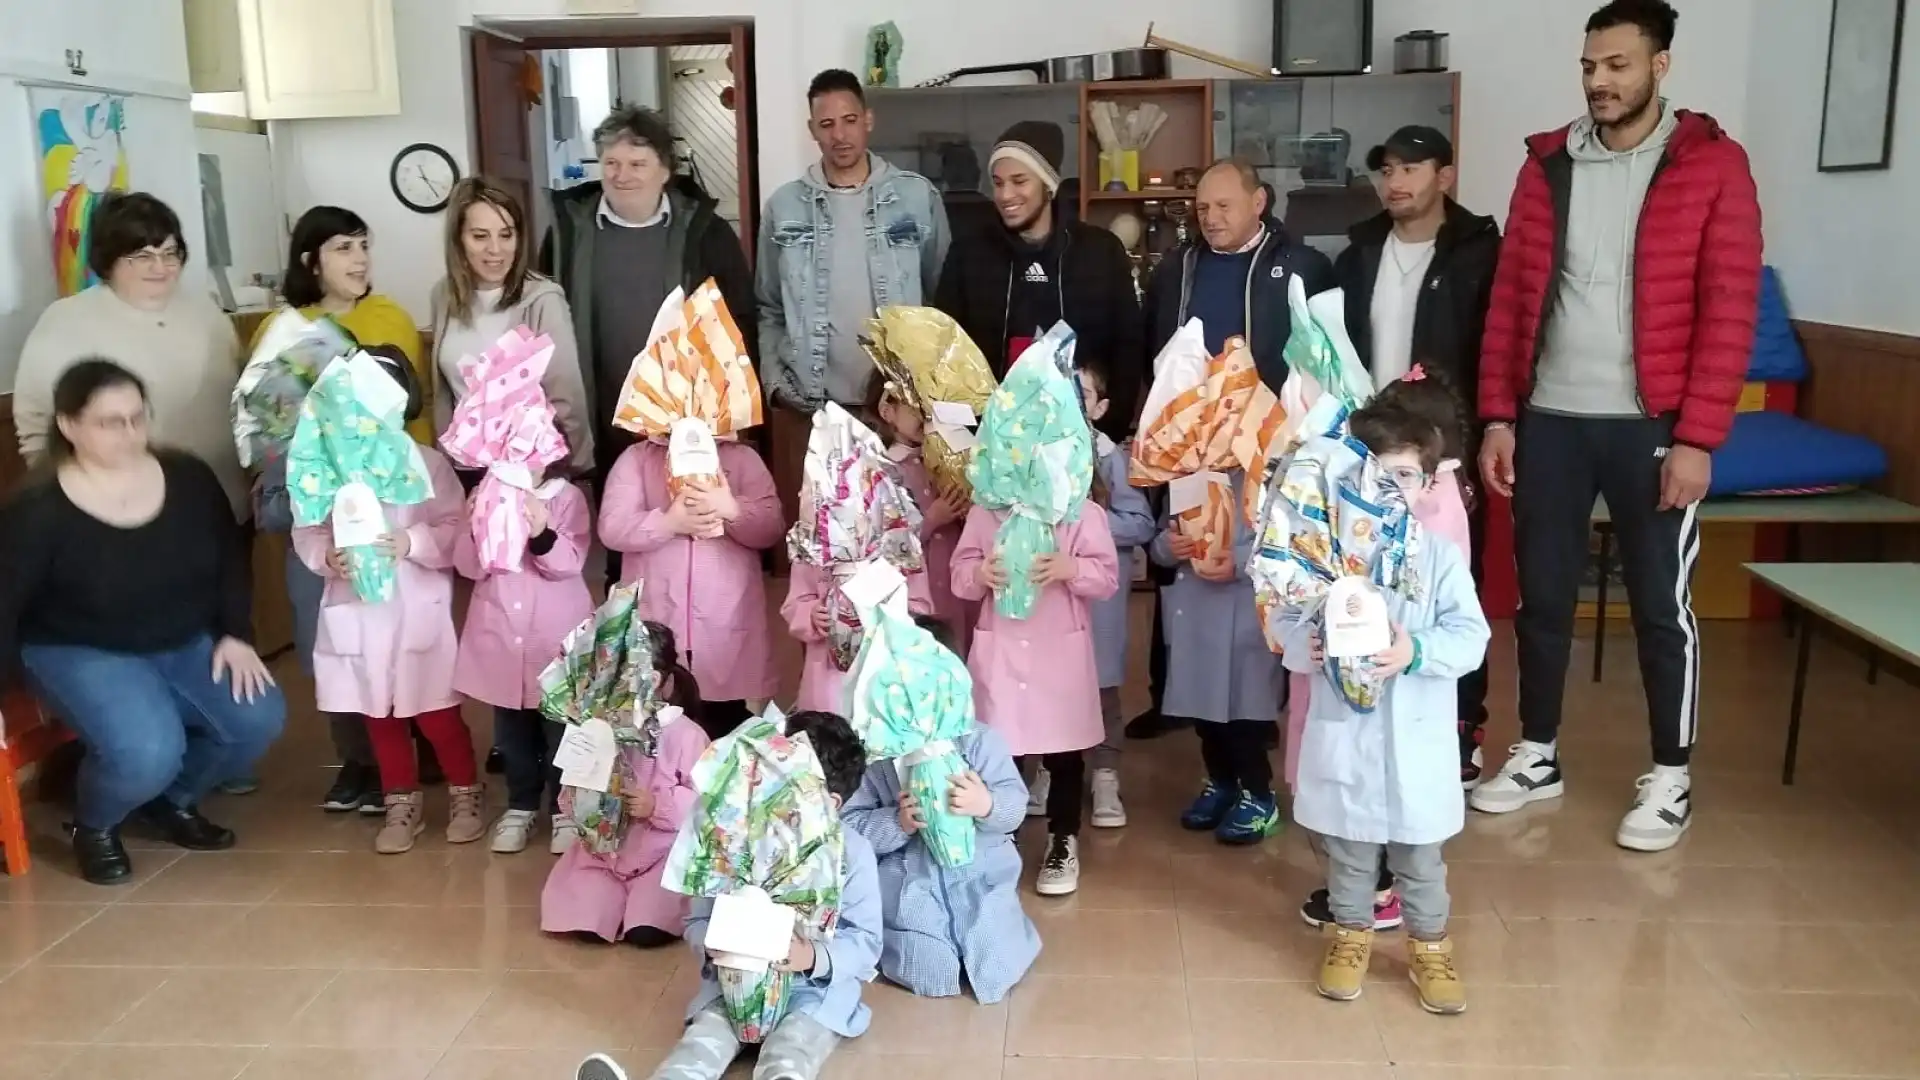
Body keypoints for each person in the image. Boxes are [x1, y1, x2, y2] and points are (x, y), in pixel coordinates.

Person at [1472, 0, 1762, 852]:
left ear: (1660, 67)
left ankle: (1670, 774)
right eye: (1590, 66)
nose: (1600, 81)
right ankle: (1537, 753)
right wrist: (1498, 415)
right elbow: (1511, 300)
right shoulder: (1546, 164)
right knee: (1543, 601)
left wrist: (1701, 437)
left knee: (1658, 608)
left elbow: (1729, 309)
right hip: (1551, 420)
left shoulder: (1713, 166)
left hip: (1653, 427)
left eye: (1618, 66)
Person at [0, 360, 284, 885]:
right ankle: (95, 825)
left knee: (257, 718)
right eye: (111, 422)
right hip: (76, 647)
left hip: (178, 635)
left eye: (137, 418)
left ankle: (169, 802)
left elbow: (228, 560)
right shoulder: (37, 509)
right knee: (147, 749)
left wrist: (237, 635)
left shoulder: (187, 477)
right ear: (69, 426)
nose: (130, 434)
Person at [1280, 396, 1490, 1015]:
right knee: (1348, 854)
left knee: (1421, 860)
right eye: (1373, 473)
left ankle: (1430, 945)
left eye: (1402, 474)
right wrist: (1309, 644)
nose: (1388, 487)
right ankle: (1350, 936)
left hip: (1415, 741)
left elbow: (1471, 636)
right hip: (1348, 738)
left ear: (1429, 483)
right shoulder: (1322, 559)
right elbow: (1287, 626)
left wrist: (1415, 651)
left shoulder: (1440, 558)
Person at [1128, 159, 1336, 740]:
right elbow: (1157, 350)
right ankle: (1174, 696)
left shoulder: (1300, 266)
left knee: (1254, 573)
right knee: (1186, 566)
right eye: (1202, 209)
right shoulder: (1179, 267)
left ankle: (1257, 707)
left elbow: (1322, 357)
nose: (1211, 219)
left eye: (1223, 206)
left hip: (1267, 447)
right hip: (1190, 447)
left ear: (1259, 201)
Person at [1334, 126, 1502, 788]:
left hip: (1445, 448)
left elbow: (1495, 350)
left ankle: (1463, 725)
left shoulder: (1477, 252)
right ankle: (1370, 704)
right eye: (1387, 169)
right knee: (1366, 575)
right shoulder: (1359, 252)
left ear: (1446, 175)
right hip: (1371, 447)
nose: (1395, 181)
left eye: (1411, 167)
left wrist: (1489, 427)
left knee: (1448, 583)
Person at [266, 205, 440, 808]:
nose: (359, 258)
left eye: (364, 245)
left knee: (403, 623)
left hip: (394, 497)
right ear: (312, 259)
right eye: (343, 247)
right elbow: (273, 421)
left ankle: (416, 746)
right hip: (327, 503)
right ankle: (358, 762)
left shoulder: (389, 315)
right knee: (334, 632)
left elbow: (409, 409)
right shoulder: (290, 329)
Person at [541, 103, 755, 584]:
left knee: (689, 537)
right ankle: (626, 622)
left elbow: (738, 321)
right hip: (604, 411)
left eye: (637, 164)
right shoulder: (569, 231)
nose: (622, 175)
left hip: (687, 420)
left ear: (664, 170)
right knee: (623, 530)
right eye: (611, 163)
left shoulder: (704, 231)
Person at [290, 349, 481, 854]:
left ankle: (466, 795)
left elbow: (454, 525)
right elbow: (307, 527)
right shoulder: (326, 466)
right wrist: (328, 558)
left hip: (417, 604)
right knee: (379, 714)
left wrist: (410, 542)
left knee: (437, 711)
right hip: (358, 608)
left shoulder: (428, 463)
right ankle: (402, 801)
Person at [758, 69, 950, 527]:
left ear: (868, 120)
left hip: (898, 412)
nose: (839, 135)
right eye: (826, 125)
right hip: (812, 407)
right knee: (820, 544)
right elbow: (767, 306)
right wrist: (775, 385)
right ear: (812, 131)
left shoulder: (915, 197)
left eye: (848, 120)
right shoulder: (784, 206)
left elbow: (943, 301)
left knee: (901, 540)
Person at [648, 709, 880, 1080]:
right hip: (732, 987)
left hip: (812, 994)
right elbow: (696, 919)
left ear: (830, 804)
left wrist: (811, 957)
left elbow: (865, 941)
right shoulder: (732, 839)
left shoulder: (852, 852)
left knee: (791, 1053)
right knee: (700, 1046)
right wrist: (712, 946)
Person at [840, 614, 1039, 1004]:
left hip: (981, 876)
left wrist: (986, 805)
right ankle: (924, 948)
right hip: (910, 884)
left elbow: (1014, 806)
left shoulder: (980, 742)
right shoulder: (875, 757)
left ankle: (997, 937)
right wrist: (895, 823)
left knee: (996, 952)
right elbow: (848, 827)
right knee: (926, 965)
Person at [14, 193, 248, 517]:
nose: (160, 267)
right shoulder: (65, 321)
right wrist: (69, 498)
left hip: (222, 499)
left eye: (170, 253)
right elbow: (35, 424)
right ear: (109, 260)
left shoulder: (207, 312)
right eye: (141, 256)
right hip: (120, 510)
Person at [950, 477, 1120, 897]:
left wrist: (1072, 568)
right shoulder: (985, 511)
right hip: (1002, 648)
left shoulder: (1081, 511)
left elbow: (1107, 579)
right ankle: (999, 839)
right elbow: (959, 576)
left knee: (1064, 752)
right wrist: (979, 572)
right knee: (1001, 750)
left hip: (1058, 647)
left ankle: (1063, 838)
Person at [933, 121, 1144, 430]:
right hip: (991, 442)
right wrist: (966, 433)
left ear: (1048, 184)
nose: (1006, 195)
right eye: (998, 182)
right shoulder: (968, 255)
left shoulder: (1100, 252)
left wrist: (1107, 430)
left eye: (1019, 181)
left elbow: (1128, 346)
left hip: (1079, 441)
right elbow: (946, 349)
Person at [597, 425, 783, 739]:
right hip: (658, 621)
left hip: (725, 624)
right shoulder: (637, 460)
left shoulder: (742, 459)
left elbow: (771, 527)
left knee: (723, 722)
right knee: (656, 722)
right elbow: (612, 528)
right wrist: (668, 522)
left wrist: (733, 510)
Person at [451, 455, 594, 854]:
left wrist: (541, 529)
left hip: (555, 638)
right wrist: (473, 525)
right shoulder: (485, 495)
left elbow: (569, 562)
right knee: (512, 735)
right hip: (501, 638)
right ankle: (521, 804)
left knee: (560, 730)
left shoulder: (565, 498)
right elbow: (467, 566)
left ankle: (565, 807)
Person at [541, 622, 710, 945]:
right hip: (603, 855)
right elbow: (569, 789)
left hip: (663, 856)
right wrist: (582, 799)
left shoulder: (688, 735)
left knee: (647, 931)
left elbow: (708, 805)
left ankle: (643, 912)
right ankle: (606, 904)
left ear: (660, 681)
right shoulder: (593, 729)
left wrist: (657, 805)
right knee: (588, 924)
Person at [1153, 459, 1285, 845]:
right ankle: (1221, 782)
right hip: (1196, 604)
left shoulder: (1271, 474)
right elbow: (1162, 542)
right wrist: (1169, 546)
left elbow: (1290, 540)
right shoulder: (1188, 477)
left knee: (1245, 710)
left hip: (1247, 606)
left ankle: (1259, 794)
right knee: (1204, 708)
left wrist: (1241, 562)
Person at [432, 177, 594, 478]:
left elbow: (566, 395)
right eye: (480, 236)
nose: (496, 249)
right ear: (458, 240)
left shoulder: (542, 299)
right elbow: (444, 392)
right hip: (463, 469)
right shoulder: (443, 295)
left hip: (530, 473)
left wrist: (578, 470)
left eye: (506, 235)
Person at [1079, 364, 1155, 829]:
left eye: (1081, 394)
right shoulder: (1029, 454)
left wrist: (1083, 526)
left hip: (1101, 599)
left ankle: (1105, 773)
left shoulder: (1111, 459)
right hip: (1053, 593)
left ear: (1102, 408)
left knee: (1103, 687)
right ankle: (1051, 768)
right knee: (1055, 686)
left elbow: (1141, 524)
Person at [863, 371, 976, 656]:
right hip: (914, 590)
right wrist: (931, 520)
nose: (925, 412)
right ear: (887, 411)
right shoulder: (881, 470)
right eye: (914, 404)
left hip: (954, 584)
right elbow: (880, 542)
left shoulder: (948, 461)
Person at [782, 546, 935, 715]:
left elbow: (920, 604)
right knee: (831, 729)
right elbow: (795, 602)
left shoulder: (900, 539)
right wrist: (811, 614)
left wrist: (894, 608)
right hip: (829, 669)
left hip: (889, 663)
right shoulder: (813, 541)